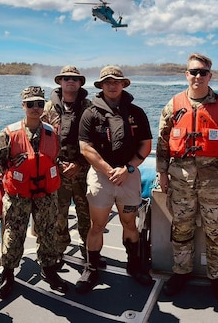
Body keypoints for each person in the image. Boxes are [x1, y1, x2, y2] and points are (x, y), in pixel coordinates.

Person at [156, 53, 218, 300]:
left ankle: (217, 277)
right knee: (181, 229)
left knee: (215, 230)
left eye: (202, 72)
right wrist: (161, 173)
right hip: (180, 181)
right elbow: (162, 143)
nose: (197, 76)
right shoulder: (172, 106)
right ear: (186, 74)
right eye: (193, 71)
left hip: (215, 181)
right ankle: (181, 272)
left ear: (210, 76)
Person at [75, 66, 153, 293]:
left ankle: (135, 265)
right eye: (107, 81)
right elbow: (85, 147)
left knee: (130, 223)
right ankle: (91, 268)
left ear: (123, 84)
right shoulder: (90, 114)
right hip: (101, 176)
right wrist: (109, 170)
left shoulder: (137, 113)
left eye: (116, 81)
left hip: (128, 175)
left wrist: (127, 169)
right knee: (97, 224)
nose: (112, 85)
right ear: (101, 85)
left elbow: (145, 145)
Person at [0, 86, 68, 299]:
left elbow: (55, 156)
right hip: (19, 195)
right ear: (23, 106)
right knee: (13, 234)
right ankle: (8, 273)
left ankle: (49, 270)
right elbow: (0, 163)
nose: (35, 108)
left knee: (48, 233)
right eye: (30, 104)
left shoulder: (51, 132)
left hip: (46, 194)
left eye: (39, 103)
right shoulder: (8, 133)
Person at [41, 66, 101, 269]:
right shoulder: (48, 109)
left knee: (87, 212)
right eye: (66, 78)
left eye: (75, 79)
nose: (70, 81)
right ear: (59, 81)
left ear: (80, 83)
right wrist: (58, 163)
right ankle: (59, 249)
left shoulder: (90, 108)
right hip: (57, 170)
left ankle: (88, 250)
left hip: (83, 169)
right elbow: (41, 140)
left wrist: (80, 163)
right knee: (59, 213)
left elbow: (97, 140)